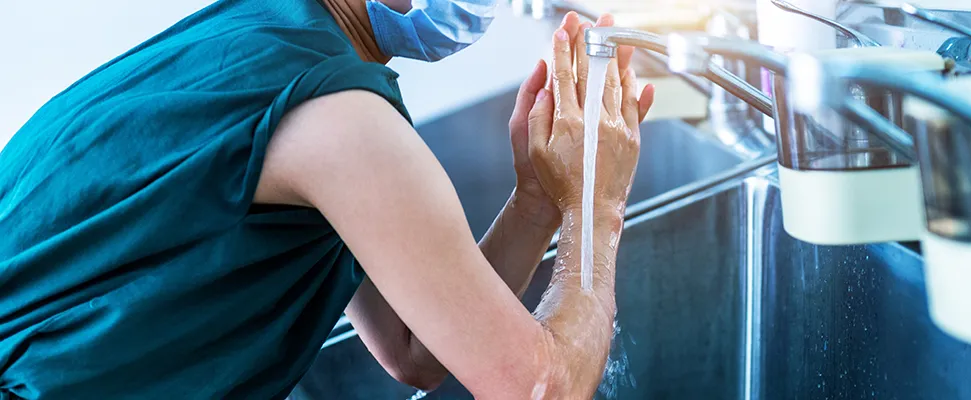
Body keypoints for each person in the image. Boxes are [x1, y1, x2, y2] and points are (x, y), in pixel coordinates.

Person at [0, 0, 655, 398]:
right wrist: (599, 210)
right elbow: (537, 389)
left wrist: (539, 200)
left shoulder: (270, 35)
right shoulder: (342, 121)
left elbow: (411, 349)